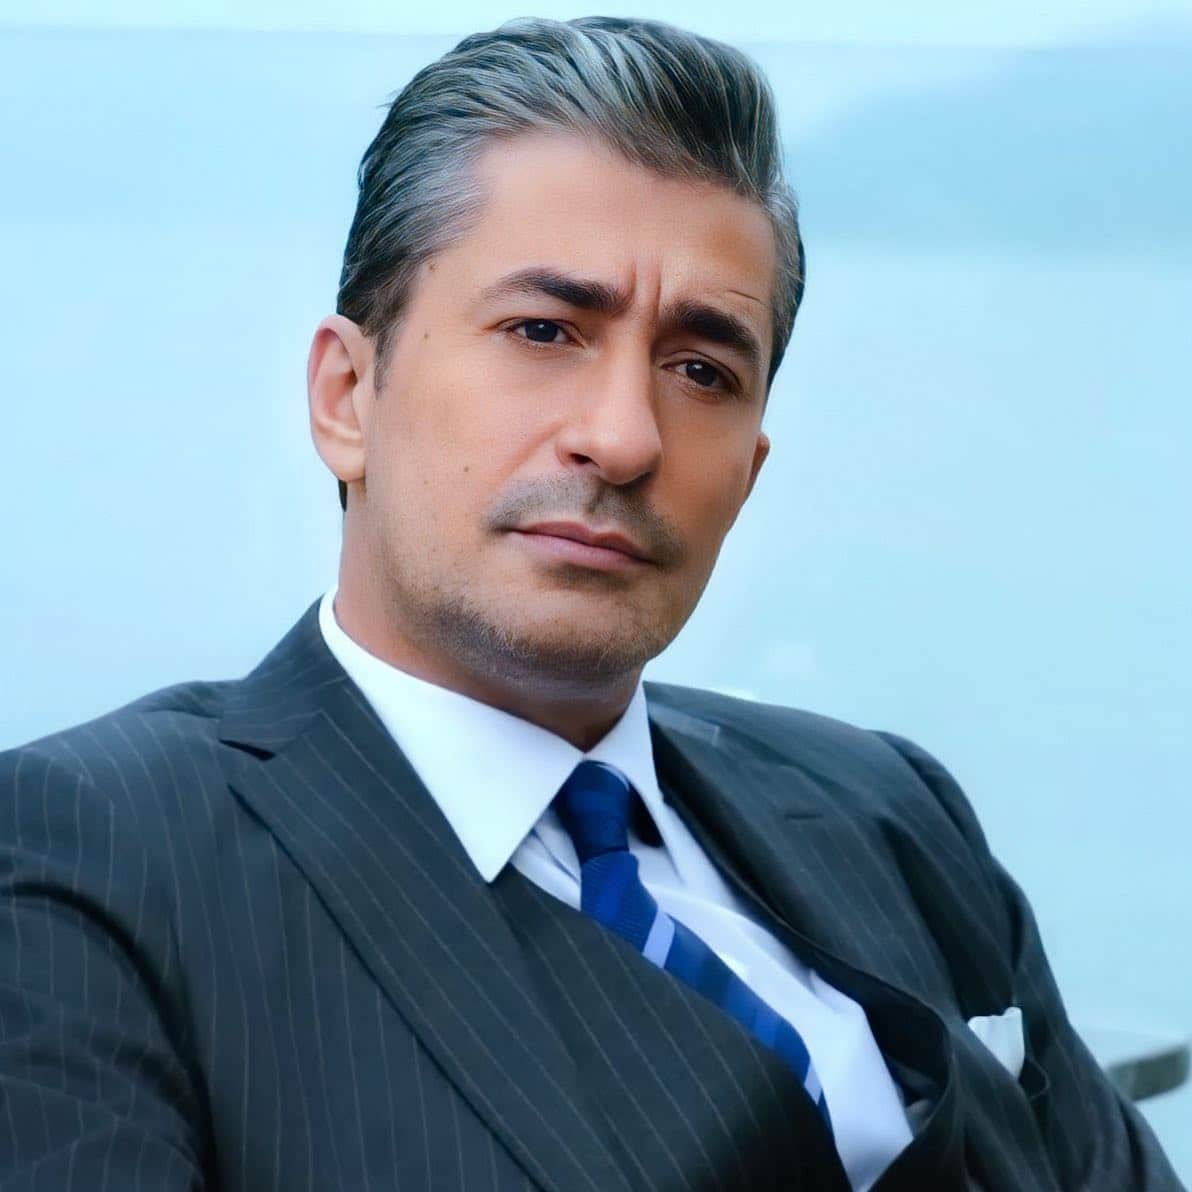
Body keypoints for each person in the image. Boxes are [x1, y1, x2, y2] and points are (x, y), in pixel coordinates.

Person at [0, 15, 1181, 1192]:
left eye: (701, 369)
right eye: (543, 330)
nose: (622, 438)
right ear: (347, 396)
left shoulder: (886, 810)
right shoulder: (97, 857)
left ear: (749, 472)